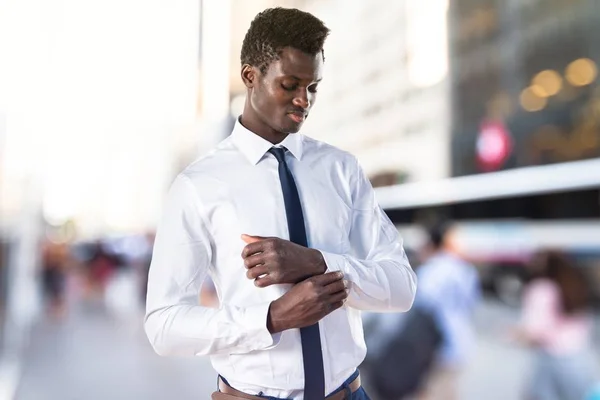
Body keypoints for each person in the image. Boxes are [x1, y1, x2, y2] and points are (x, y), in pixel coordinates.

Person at [144, 7, 416, 400]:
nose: (303, 100)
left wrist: (318, 262)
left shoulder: (342, 169)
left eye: (313, 87)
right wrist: (271, 318)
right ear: (250, 76)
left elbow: (402, 287)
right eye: (289, 85)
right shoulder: (198, 185)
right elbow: (164, 326)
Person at [512, 250, 597, 400]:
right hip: (578, 357)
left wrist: (515, 334)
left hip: (551, 359)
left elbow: (534, 330)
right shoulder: (575, 284)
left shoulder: (541, 288)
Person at [413, 222, 480, 400]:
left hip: (437, 346)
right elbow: (471, 303)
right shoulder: (465, 269)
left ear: (431, 244)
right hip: (461, 340)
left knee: (433, 392)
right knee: (448, 391)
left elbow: (422, 308)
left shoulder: (430, 271)